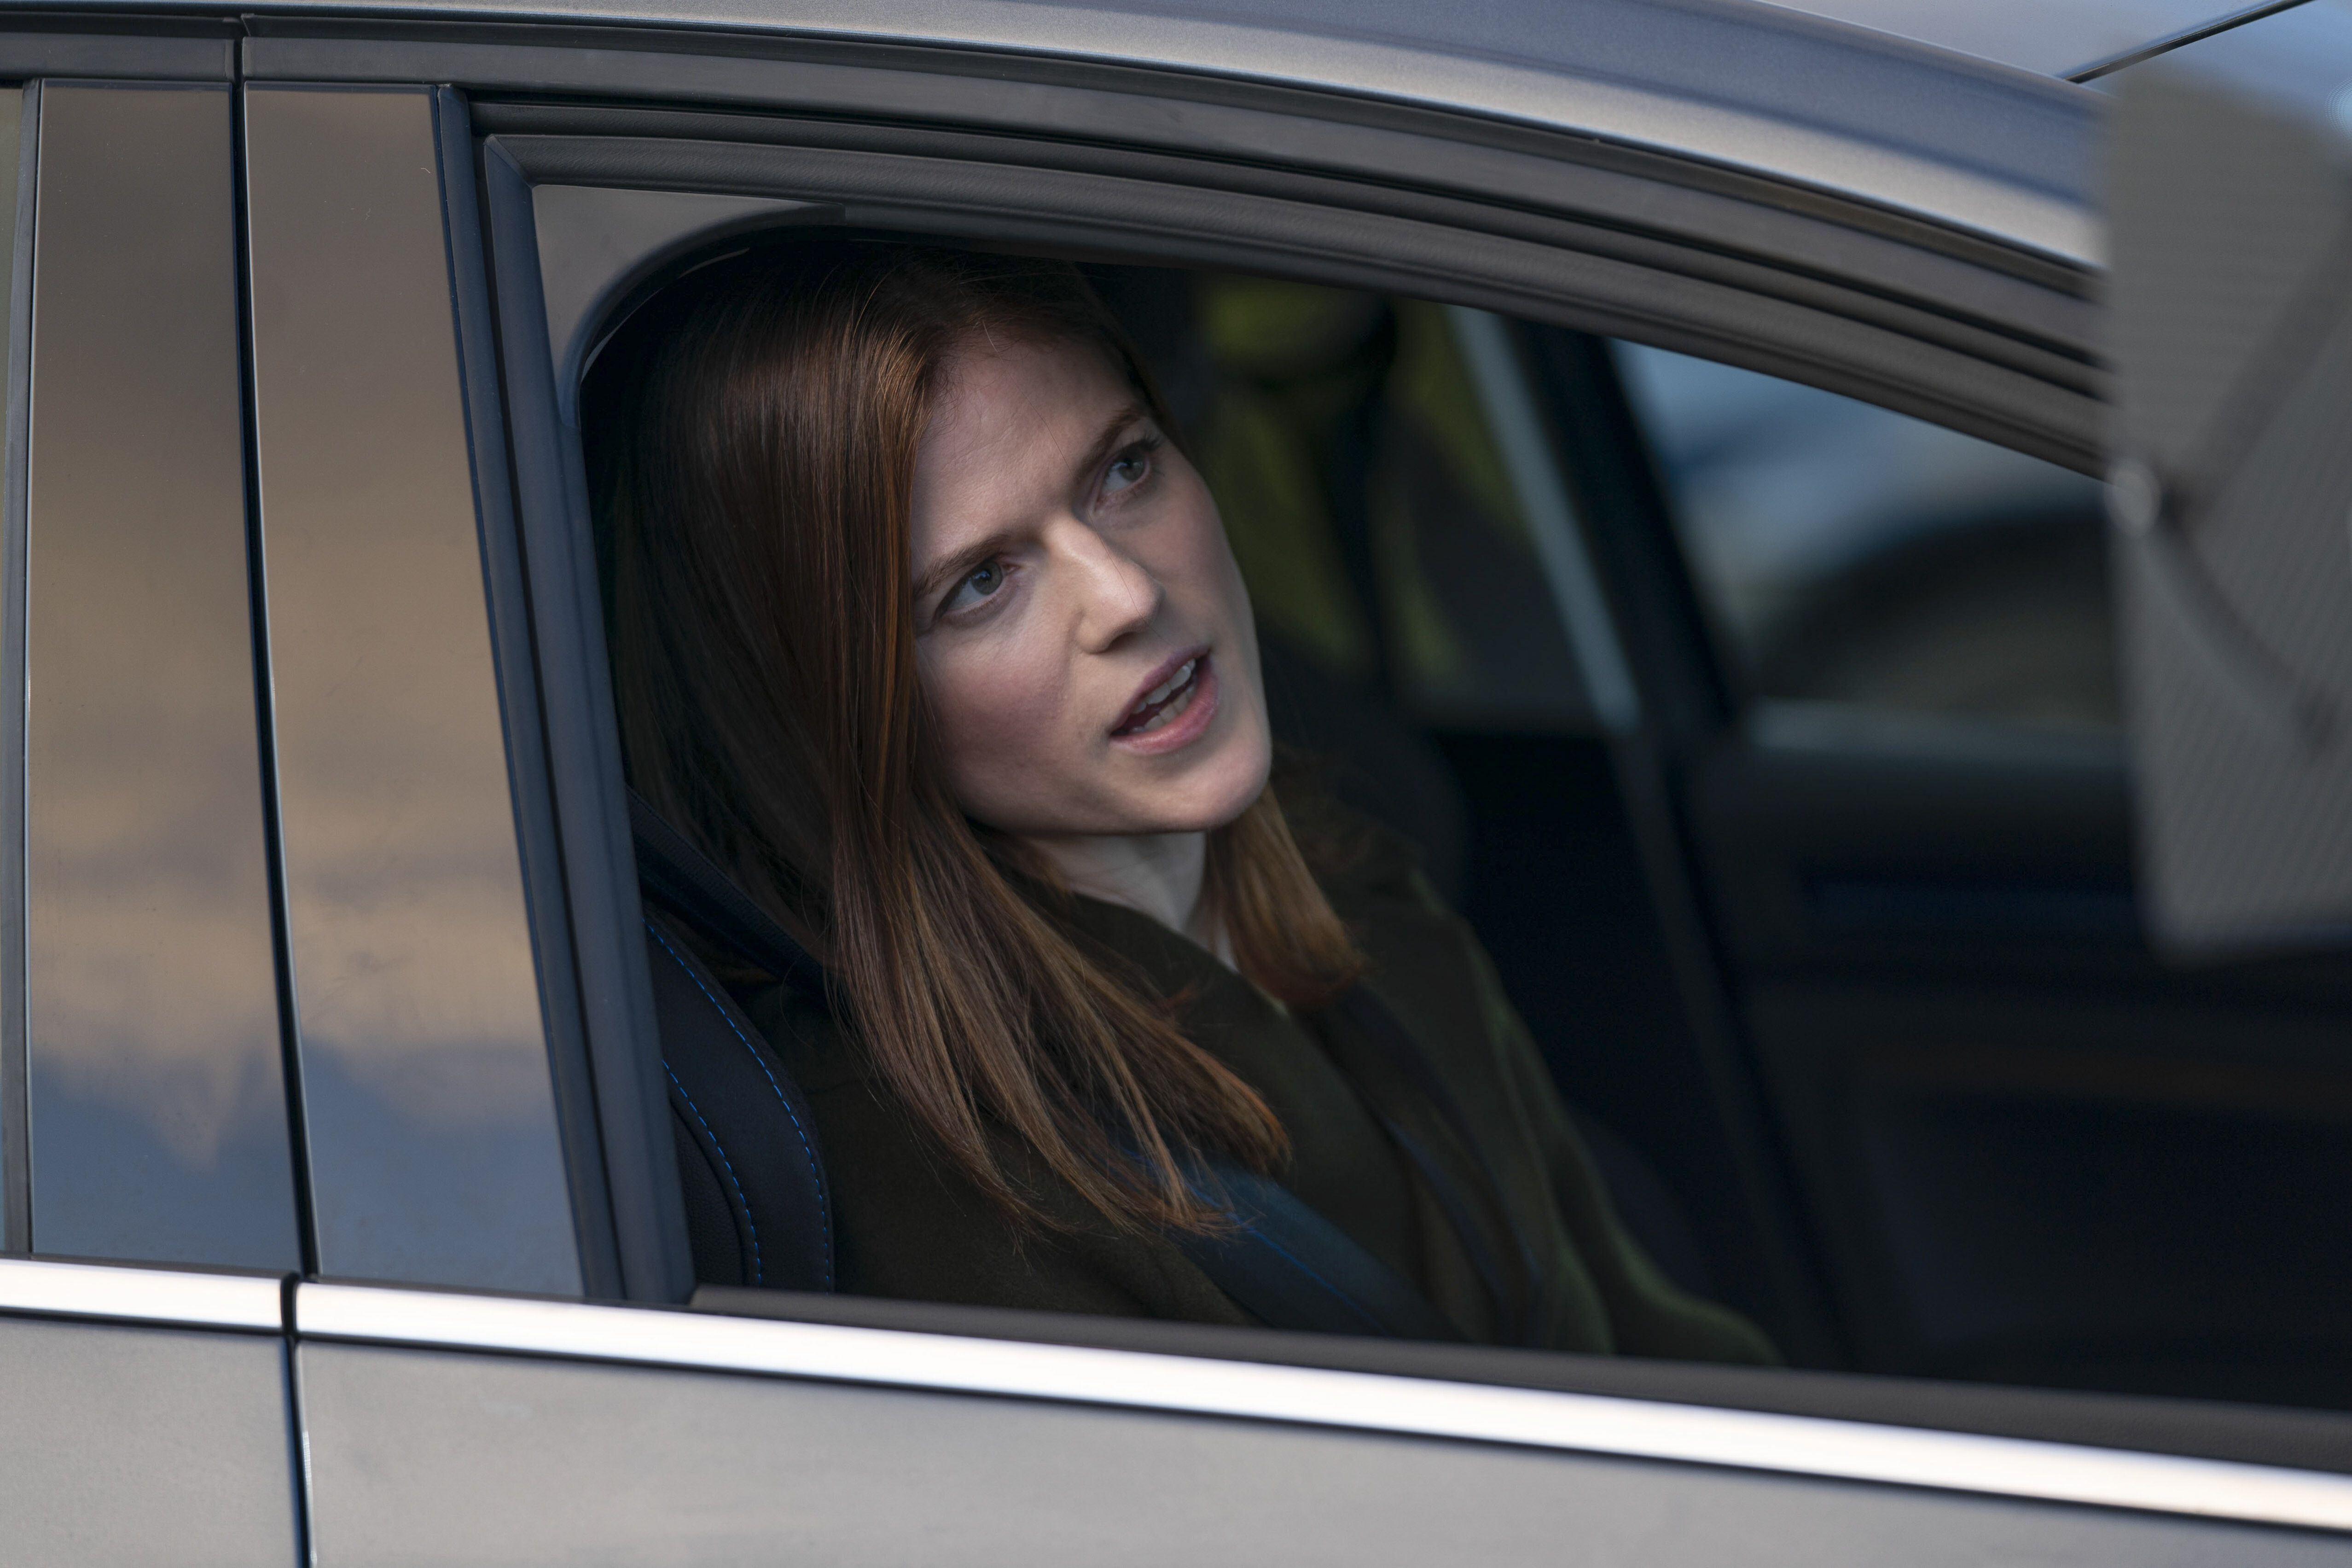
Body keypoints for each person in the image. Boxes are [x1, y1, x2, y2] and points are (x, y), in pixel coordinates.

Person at [587, 241, 1774, 1362]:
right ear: (847, 704)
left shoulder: (1362, 879)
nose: (1126, 594)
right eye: (981, 583)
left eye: (1122, 469)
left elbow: (1656, 1346)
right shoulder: (924, 1175)